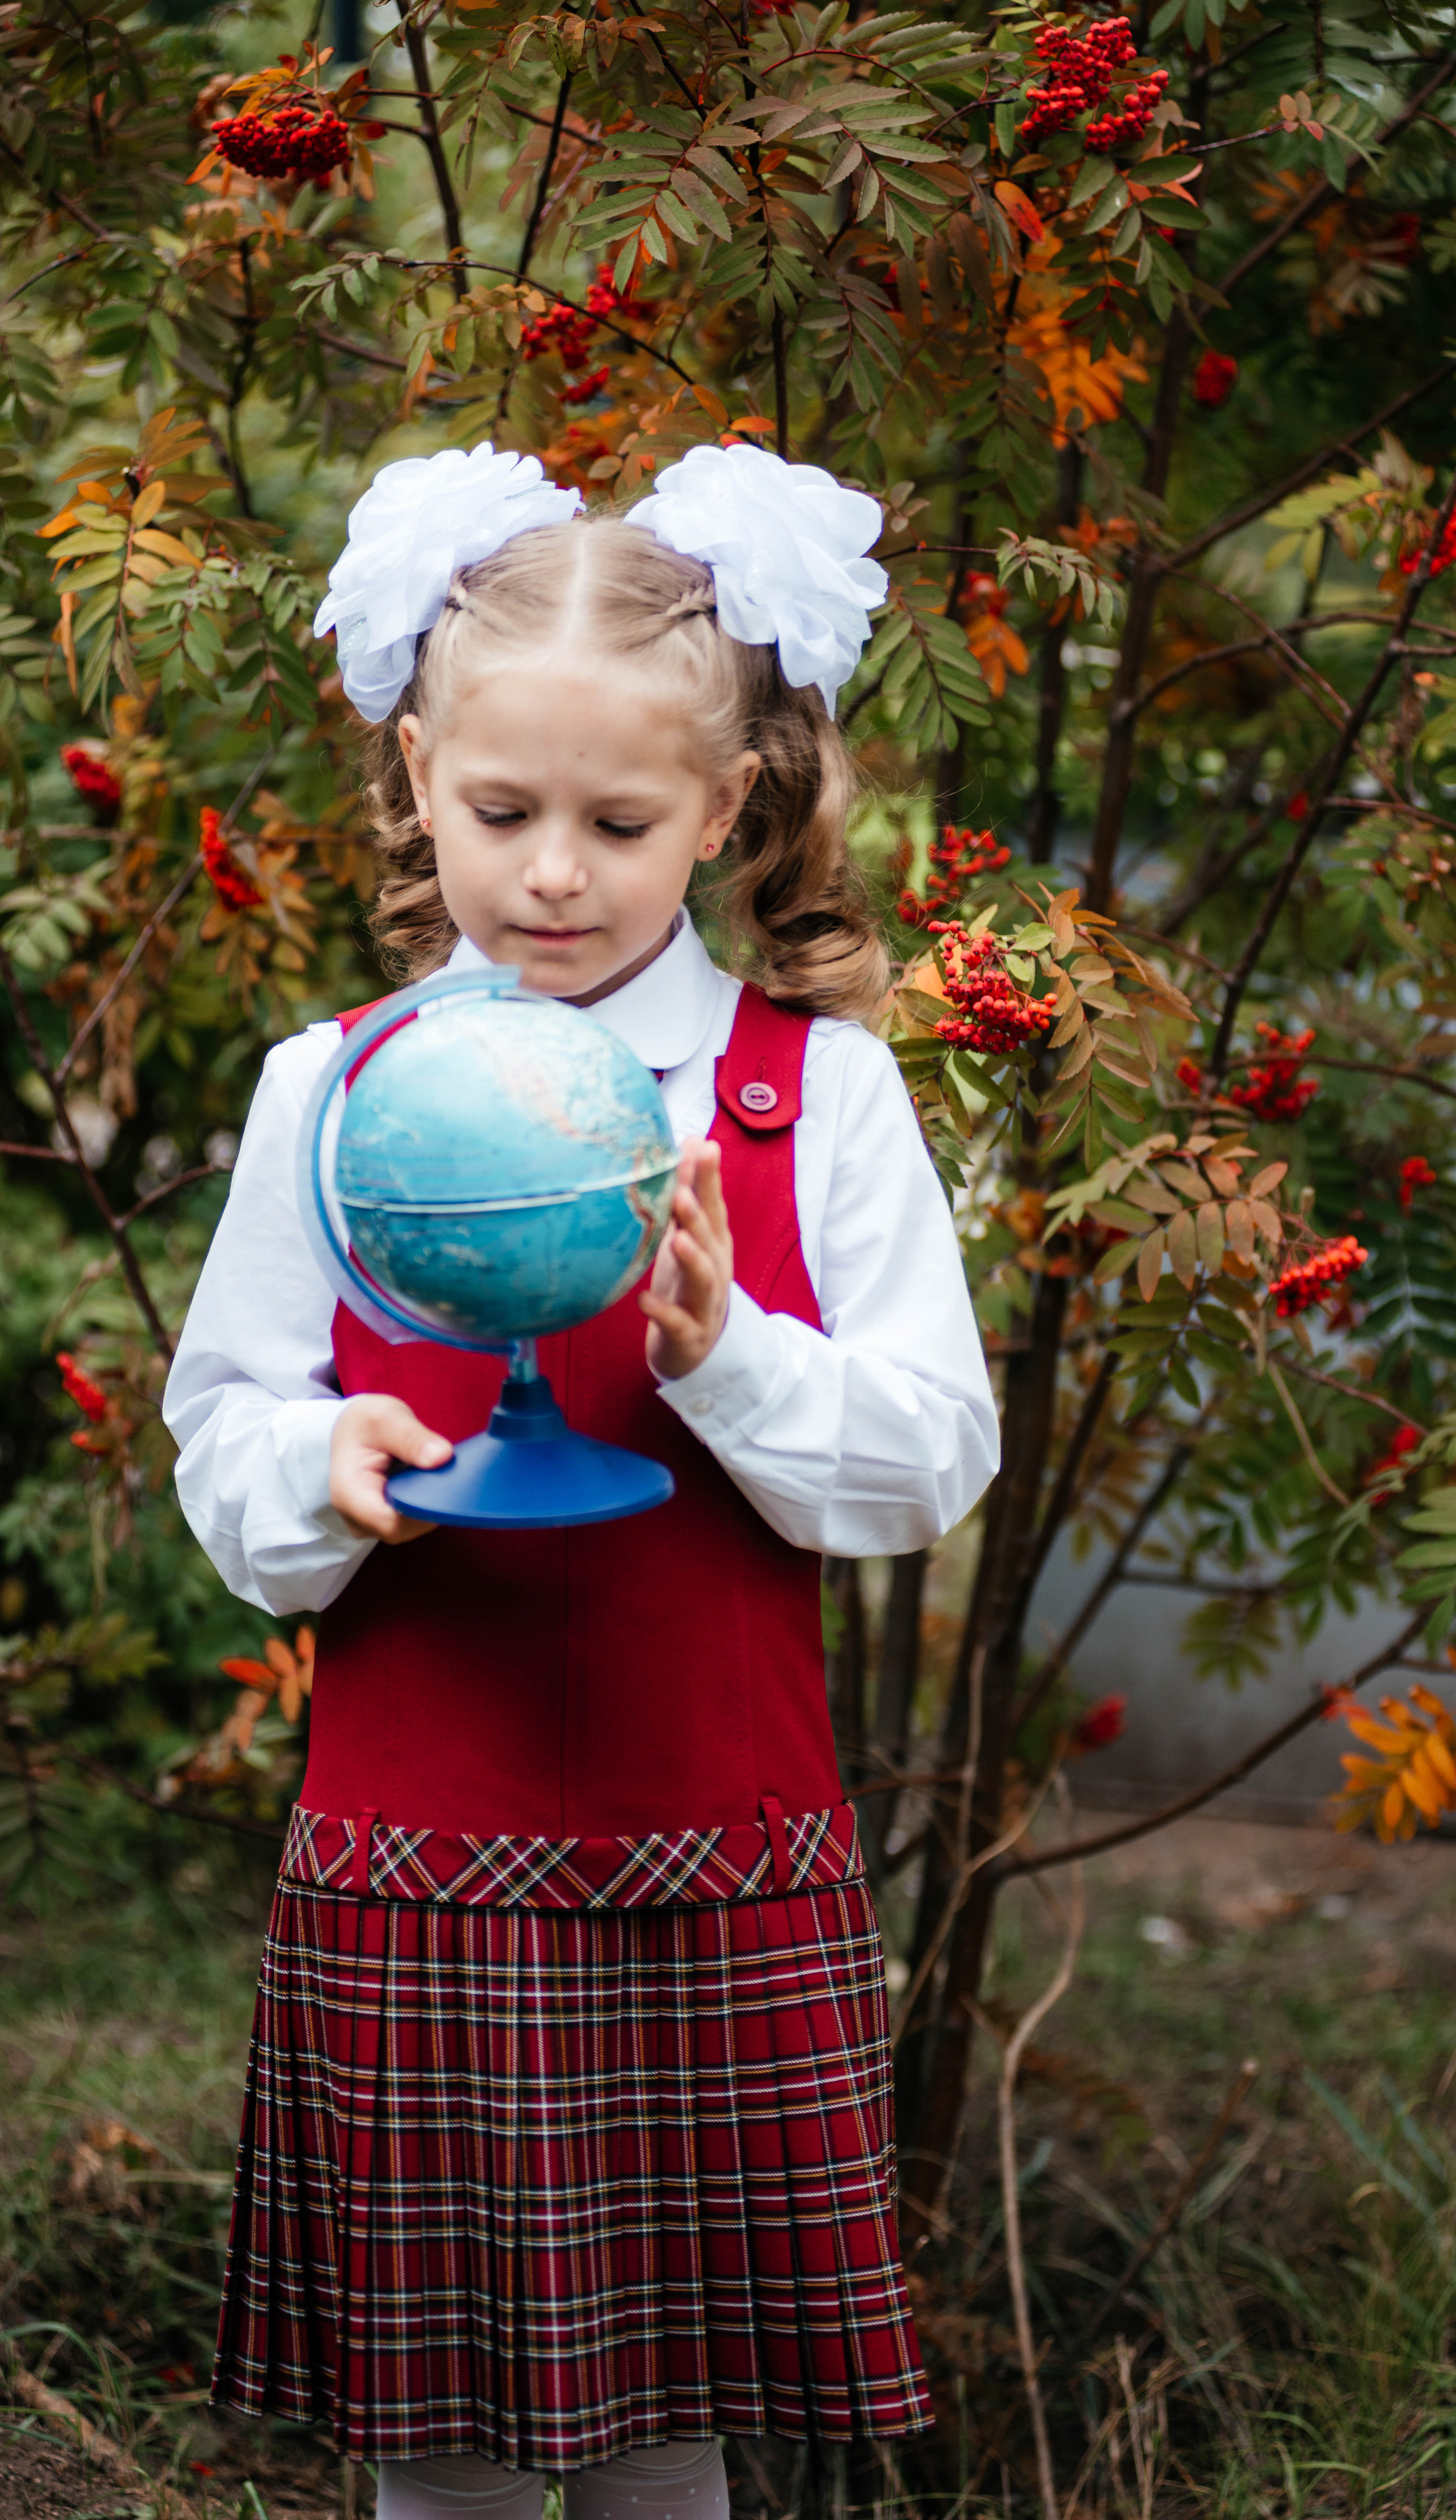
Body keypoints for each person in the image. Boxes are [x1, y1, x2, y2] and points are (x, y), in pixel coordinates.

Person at [164, 441, 999, 2520]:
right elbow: (227, 1416)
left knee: (664, 2440)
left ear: (722, 813)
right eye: (500, 810)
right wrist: (317, 1459)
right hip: (417, 1866)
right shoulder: (328, 1093)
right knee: (435, 2448)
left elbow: (928, 1457)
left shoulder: (812, 1098)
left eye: (620, 823)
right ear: (417, 778)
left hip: (709, 1863)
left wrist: (729, 1362)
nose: (554, 872)